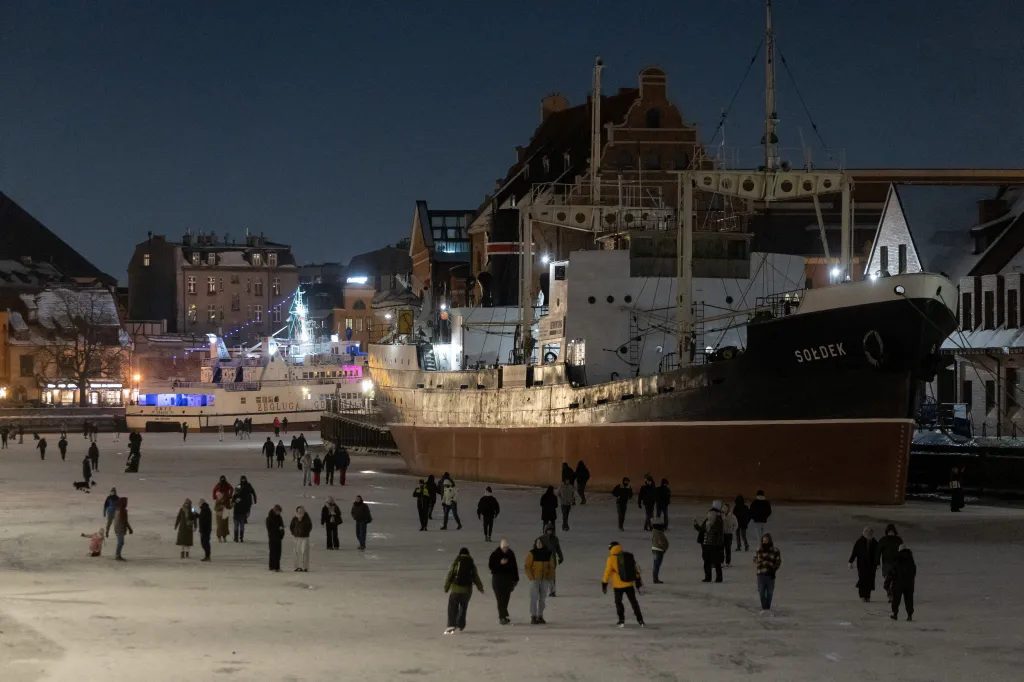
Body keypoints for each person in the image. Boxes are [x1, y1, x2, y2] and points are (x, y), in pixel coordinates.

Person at [601, 541, 645, 627]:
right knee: (634, 602)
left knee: (618, 602)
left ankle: (621, 620)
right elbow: (635, 569)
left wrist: (604, 584)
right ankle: (640, 620)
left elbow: (607, 573)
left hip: (618, 586)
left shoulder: (611, 558)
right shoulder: (628, 556)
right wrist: (638, 580)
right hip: (629, 584)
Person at [443, 547, 485, 634]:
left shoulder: (456, 563)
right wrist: (480, 588)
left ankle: (451, 624)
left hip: (455, 589)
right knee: (463, 607)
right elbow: (475, 577)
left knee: (452, 606)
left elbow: (450, 575)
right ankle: (460, 625)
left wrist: (446, 587)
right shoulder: (471, 564)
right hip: (467, 590)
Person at [525, 538, 556, 624]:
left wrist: (550, 577)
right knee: (534, 598)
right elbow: (527, 566)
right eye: (538, 543)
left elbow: (551, 567)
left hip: (545, 579)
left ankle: (540, 615)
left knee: (542, 598)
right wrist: (531, 577)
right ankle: (533, 616)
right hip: (535, 579)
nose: (539, 544)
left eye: (540, 543)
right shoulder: (532, 553)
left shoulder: (548, 554)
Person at [694, 500, 725, 583]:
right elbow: (702, 530)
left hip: (713, 544)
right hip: (707, 544)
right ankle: (709, 577)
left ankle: (717, 577)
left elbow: (720, 533)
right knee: (707, 561)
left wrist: (719, 543)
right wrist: (696, 526)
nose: (709, 516)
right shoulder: (708, 522)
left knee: (715, 561)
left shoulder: (718, 521)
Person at [488, 539, 519, 625]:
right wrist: (500, 563)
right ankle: (502, 617)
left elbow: (514, 567)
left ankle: (504, 616)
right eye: (504, 547)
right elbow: (491, 567)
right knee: (500, 599)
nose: (506, 549)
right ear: (501, 547)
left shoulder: (511, 554)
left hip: (508, 581)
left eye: (507, 547)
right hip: (497, 580)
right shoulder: (495, 554)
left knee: (506, 599)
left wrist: (516, 579)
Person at [849, 526, 880, 601]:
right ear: (864, 533)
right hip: (862, 565)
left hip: (872, 565)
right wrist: (850, 561)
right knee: (862, 579)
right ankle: (862, 595)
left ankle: (867, 596)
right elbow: (854, 552)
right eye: (867, 532)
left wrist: (878, 563)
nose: (869, 534)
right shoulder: (859, 542)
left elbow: (877, 554)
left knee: (870, 580)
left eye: (870, 532)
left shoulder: (875, 542)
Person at [753, 533, 782, 614]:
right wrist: (758, 561)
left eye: (766, 540)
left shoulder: (775, 550)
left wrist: (773, 569)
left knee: (770, 593)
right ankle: (764, 608)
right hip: (761, 574)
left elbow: (778, 561)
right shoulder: (759, 549)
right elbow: (754, 559)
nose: (765, 542)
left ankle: (767, 608)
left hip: (770, 575)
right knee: (761, 592)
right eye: (763, 541)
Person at [889, 545, 916, 621]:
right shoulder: (910, 559)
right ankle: (909, 615)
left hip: (898, 582)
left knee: (896, 599)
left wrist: (889, 581)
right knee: (909, 599)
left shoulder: (897, 558)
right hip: (909, 583)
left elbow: (893, 571)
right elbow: (913, 571)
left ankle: (895, 614)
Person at [878, 523, 904, 602]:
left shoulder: (898, 540)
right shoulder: (883, 540)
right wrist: (877, 563)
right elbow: (878, 552)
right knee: (888, 579)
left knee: (894, 580)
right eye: (889, 532)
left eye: (892, 532)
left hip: (896, 563)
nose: (891, 533)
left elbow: (903, 551)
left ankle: (891, 596)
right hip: (887, 564)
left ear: (894, 532)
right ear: (887, 532)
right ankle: (889, 593)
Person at [537, 523, 564, 597]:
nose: (549, 532)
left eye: (551, 530)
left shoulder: (555, 539)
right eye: (548, 530)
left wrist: (561, 557)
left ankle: (552, 591)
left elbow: (558, 549)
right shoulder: (541, 539)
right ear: (545, 530)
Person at [232, 476, 257, 542]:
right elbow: (235, 494)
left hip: (246, 503)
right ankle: (238, 538)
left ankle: (239, 538)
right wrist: (233, 501)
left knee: (245, 515)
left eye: (244, 479)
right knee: (239, 524)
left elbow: (253, 492)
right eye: (242, 479)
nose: (243, 480)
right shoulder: (239, 486)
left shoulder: (248, 485)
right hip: (242, 506)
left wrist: (255, 499)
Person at [290, 506, 312, 571]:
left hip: (304, 538)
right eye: (299, 511)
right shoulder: (294, 518)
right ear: (297, 511)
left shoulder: (306, 518)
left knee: (304, 551)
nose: (300, 512)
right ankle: (297, 566)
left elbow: (309, 527)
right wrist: (294, 533)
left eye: (302, 511)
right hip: (296, 538)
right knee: (296, 552)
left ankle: (305, 567)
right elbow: (291, 526)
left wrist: (305, 532)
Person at [266, 505, 285, 571]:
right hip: (272, 538)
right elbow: (270, 529)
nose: (279, 513)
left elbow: (282, 526)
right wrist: (278, 528)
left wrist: (282, 533)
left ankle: (277, 567)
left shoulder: (279, 517)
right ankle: (272, 566)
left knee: (278, 553)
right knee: (273, 552)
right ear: (275, 510)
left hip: (278, 538)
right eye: (278, 511)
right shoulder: (269, 518)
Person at [722, 502, 736, 567]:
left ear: (728, 509)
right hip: (722, 534)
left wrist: (732, 530)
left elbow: (736, 524)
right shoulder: (720, 515)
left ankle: (728, 562)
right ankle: (721, 562)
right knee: (721, 549)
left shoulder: (732, 516)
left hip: (729, 534)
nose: (725, 509)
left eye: (726, 507)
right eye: (724, 507)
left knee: (728, 549)